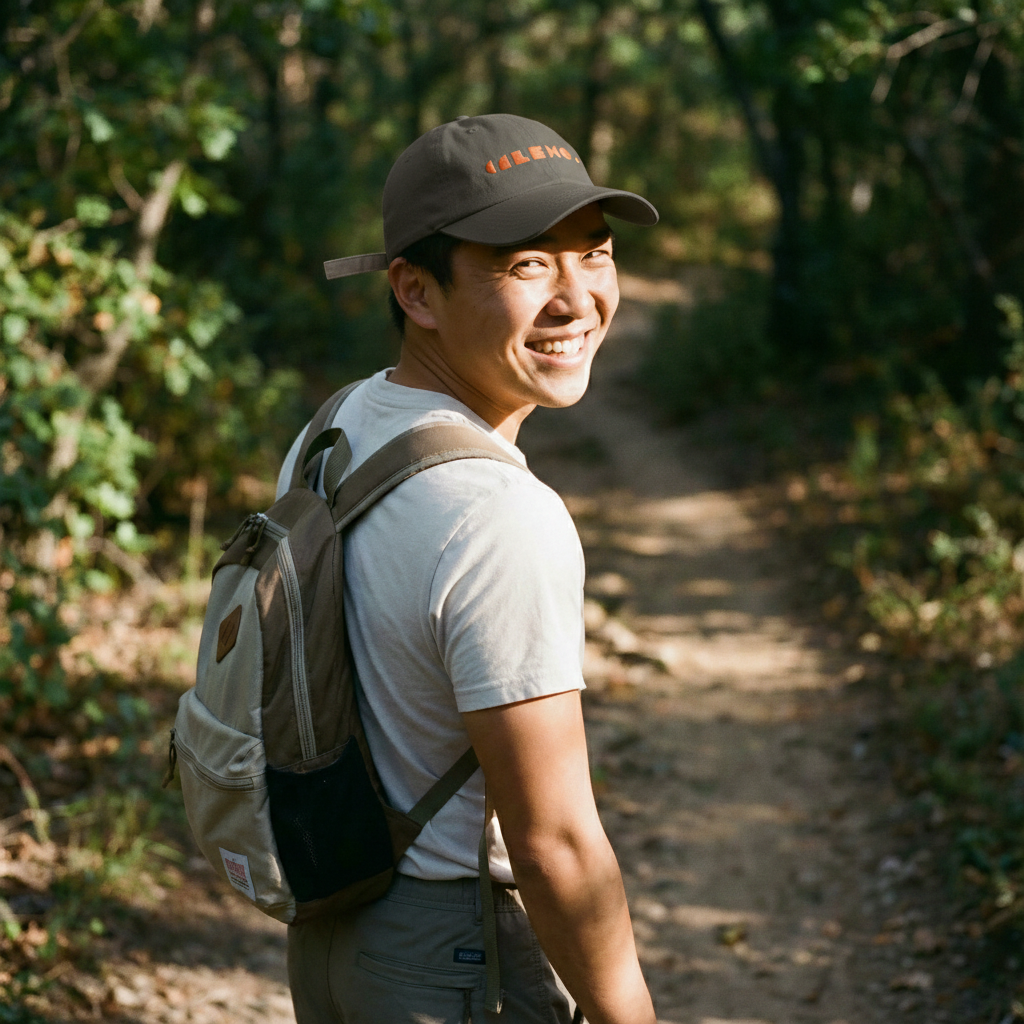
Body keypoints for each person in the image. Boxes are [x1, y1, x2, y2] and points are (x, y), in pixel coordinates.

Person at [276, 113, 659, 1024]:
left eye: (595, 254)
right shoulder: (499, 516)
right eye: (527, 265)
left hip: (336, 939)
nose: (576, 299)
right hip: (449, 964)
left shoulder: (337, 427)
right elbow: (555, 840)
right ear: (416, 290)